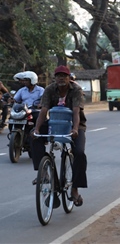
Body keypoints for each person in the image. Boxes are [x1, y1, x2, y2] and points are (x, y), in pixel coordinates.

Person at [31, 65, 87, 207]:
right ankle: (44, 174)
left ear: (69, 78)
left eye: (64, 75)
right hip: (55, 122)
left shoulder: (76, 90)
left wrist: (75, 129)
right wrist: (37, 129)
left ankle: (74, 189)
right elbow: (44, 111)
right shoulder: (50, 90)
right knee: (33, 137)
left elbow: (76, 112)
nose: (61, 78)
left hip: (75, 124)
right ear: (54, 78)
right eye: (58, 76)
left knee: (79, 153)